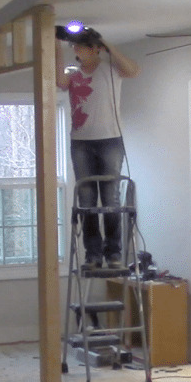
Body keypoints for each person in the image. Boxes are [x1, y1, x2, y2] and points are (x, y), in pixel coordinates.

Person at [55, 26, 141, 269]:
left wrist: (106, 44)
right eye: (74, 47)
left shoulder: (111, 70)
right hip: (81, 142)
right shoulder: (73, 74)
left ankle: (113, 253)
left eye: (80, 46)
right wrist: (55, 47)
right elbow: (59, 81)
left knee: (110, 198)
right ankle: (93, 254)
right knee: (87, 199)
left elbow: (133, 70)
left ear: (95, 49)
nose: (76, 50)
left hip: (110, 140)